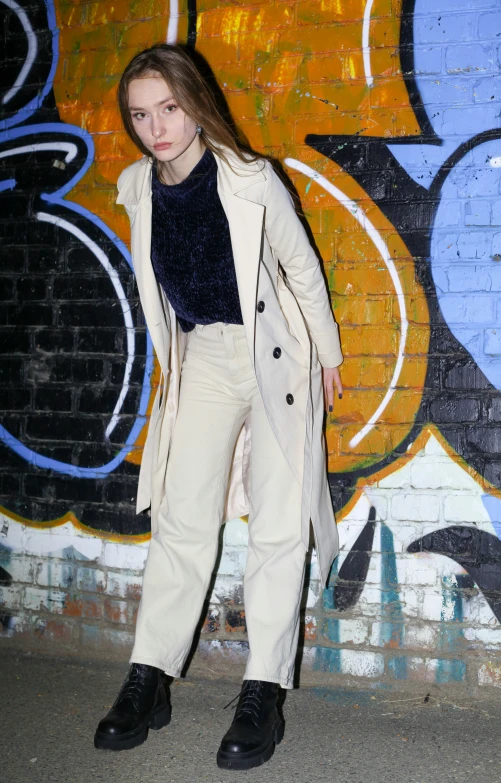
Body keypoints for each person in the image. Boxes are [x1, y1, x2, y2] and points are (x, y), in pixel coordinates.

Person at [94, 43, 343, 770]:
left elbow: (300, 267)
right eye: (141, 114)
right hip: (202, 356)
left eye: (168, 108)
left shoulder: (249, 178)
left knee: (274, 524)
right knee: (181, 517)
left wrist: (326, 353)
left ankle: (262, 691)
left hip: (275, 352)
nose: (156, 127)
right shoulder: (137, 185)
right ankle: (150, 676)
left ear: (195, 102)